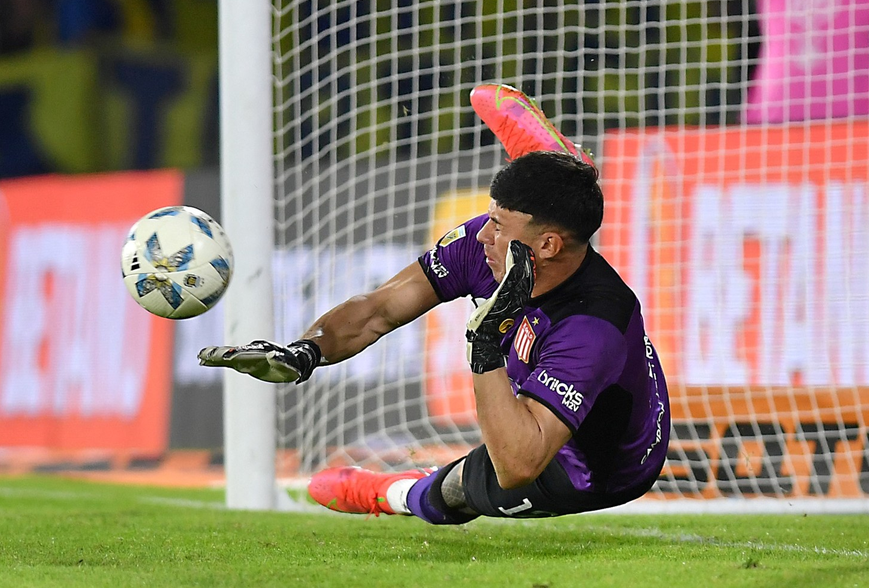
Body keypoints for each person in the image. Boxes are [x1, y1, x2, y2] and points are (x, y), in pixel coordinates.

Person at [200, 86, 670, 522]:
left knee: (464, 488)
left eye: (500, 226)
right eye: (490, 218)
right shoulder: (488, 244)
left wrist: (486, 345)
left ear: (547, 246)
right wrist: (307, 352)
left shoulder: (593, 328)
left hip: (600, 469)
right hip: (550, 361)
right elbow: (381, 308)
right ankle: (565, 169)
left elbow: (518, 465)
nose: (482, 235)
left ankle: (390, 493)